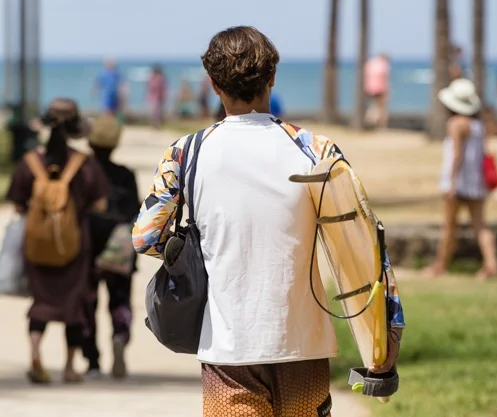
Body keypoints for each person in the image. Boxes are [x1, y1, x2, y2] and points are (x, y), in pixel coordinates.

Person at [133, 26, 404, 417]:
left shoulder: (185, 152)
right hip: (305, 346)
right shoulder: (316, 150)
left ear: (213, 84)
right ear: (272, 78)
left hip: (228, 350)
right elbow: (366, 239)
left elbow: (145, 237)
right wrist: (387, 338)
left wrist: (191, 248)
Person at [5, 98, 110, 384]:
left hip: (37, 244)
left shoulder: (30, 162)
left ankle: (35, 353)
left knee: (41, 301)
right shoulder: (84, 163)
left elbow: (17, 204)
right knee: (73, 305)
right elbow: (100, 204)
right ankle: (68, 367)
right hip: (75, 245)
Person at [423, 78, 497, 279]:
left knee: (449, 226)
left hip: (458, 182)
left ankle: (440, 266)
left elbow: (456, 155)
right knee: (481, 225)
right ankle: (492, 265)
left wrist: (451, 182)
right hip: (476, 182)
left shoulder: (456, 124)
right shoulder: (478, 126)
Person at [82, 114, 140, 380]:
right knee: (120, 300)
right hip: (120, 246)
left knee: (87, 303)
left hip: (87, 246)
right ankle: (120, 336)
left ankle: (92, 361)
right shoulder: (125, 175)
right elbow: (136, 213)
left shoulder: (82, 172)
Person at [364, 53, 390, 130]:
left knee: (374, 106)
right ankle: (380, 125)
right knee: (381, 108)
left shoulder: (370, 63)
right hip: (380, 88)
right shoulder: (383, 65)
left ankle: (370, 121)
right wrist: (387, 89)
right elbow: (384, 77)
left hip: (369, 88)